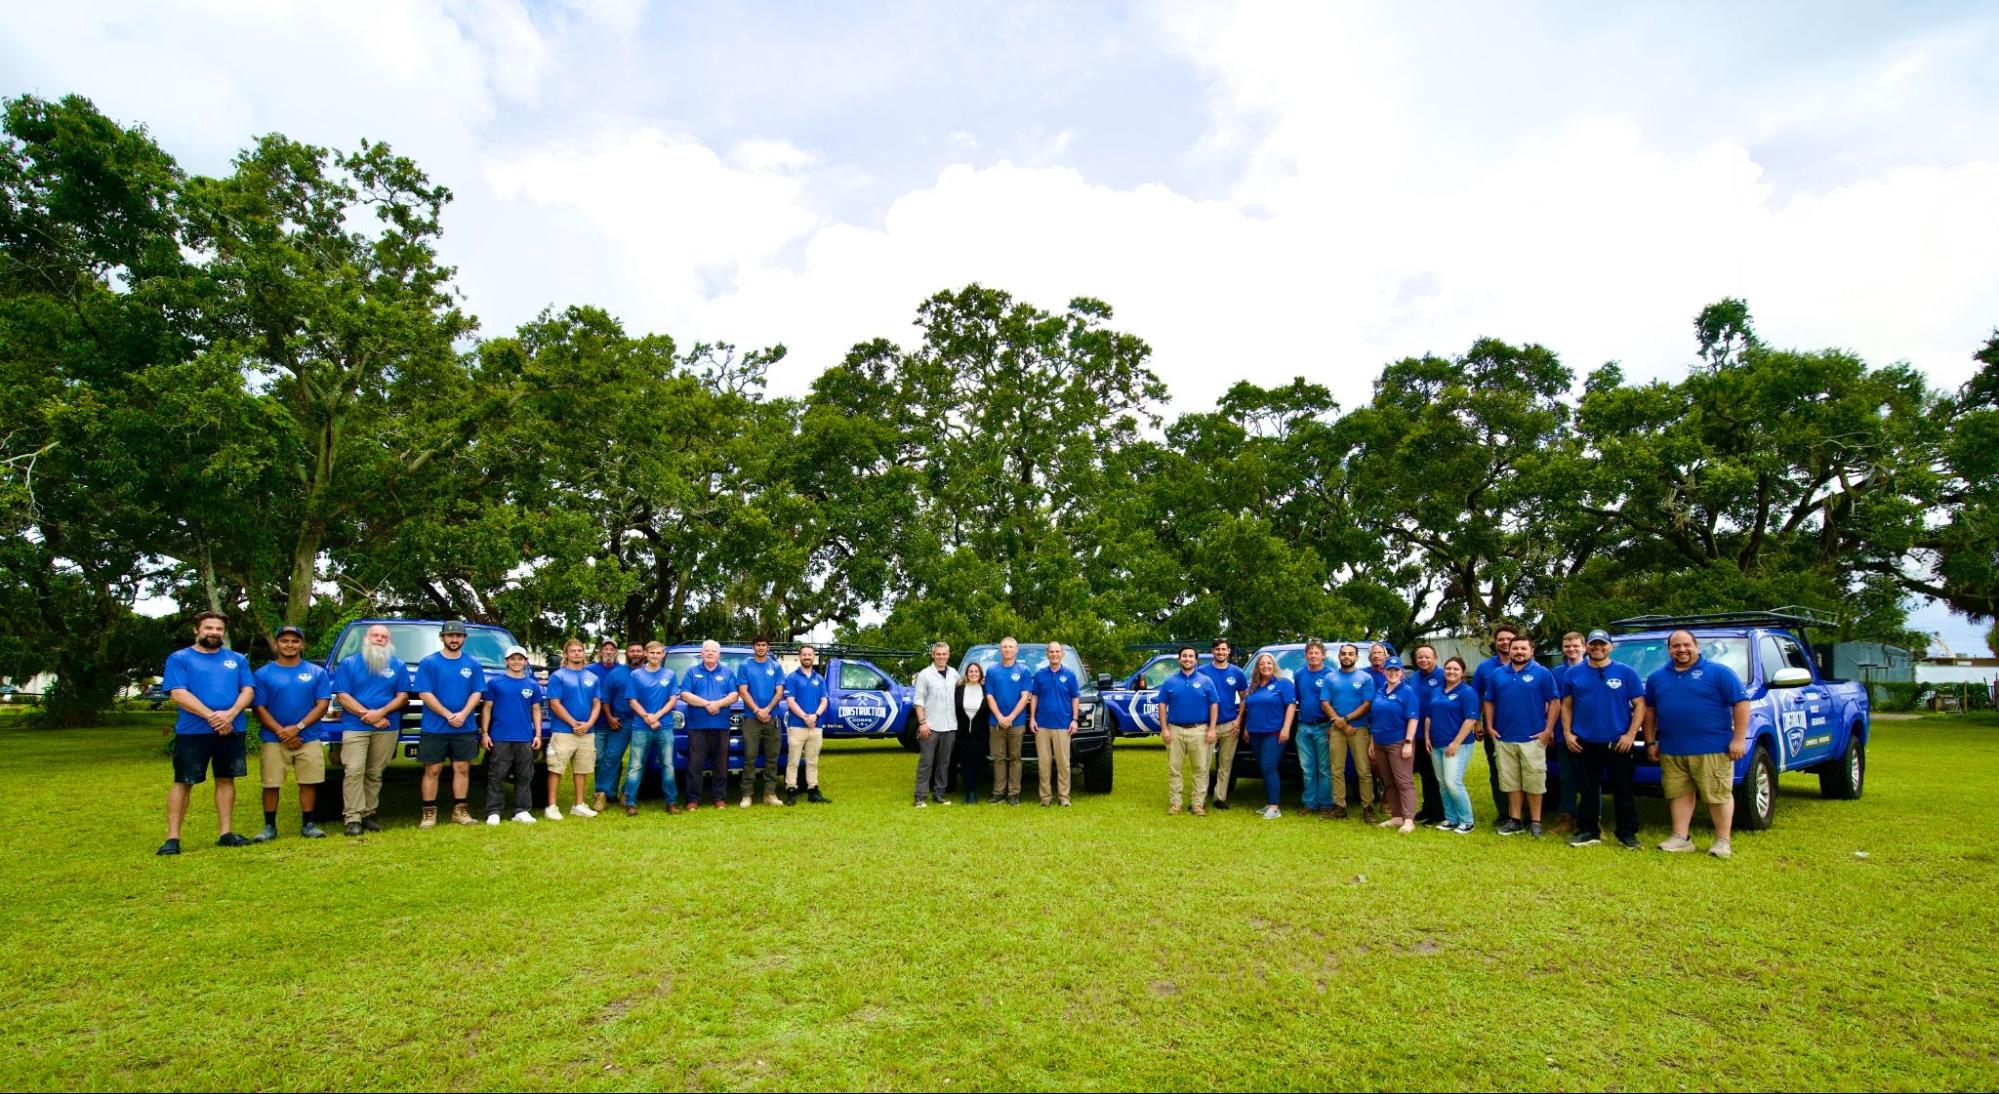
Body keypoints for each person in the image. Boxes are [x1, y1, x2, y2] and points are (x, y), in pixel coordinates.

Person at [1645, 629, 1750, 859]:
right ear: (1669, 649)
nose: (1681, 650)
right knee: (1679, 793)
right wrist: (1651, 741)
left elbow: (1741, 704)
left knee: (1718, 794)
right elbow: (1650, 711)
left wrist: (1739, 739)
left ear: (1696, 646)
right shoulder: (1656, 677)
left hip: (1712, 747)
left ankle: (1722, 841)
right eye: (1675, 646)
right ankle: (1681, 838)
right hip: (1672, 749)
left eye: (1686, 645)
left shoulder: (1719, 673)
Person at [158, 611, 257, 855]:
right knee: (184, 780)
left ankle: (225, 832)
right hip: (193, 731)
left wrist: (230, 714)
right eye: (209, 628)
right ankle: (173, 837)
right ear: (197, 630)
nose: (214, 633)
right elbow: (178, 692)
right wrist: (212, 717)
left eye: (219, 629)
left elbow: (248, 690)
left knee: (226, 778)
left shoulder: (236, 659)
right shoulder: (180, 658)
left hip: (231, 729)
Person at [1562, 629, 1646, 849]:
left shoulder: (1625, 672)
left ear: (1611, 647)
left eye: (1602, 644)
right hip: (1585, 742)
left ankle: (1627, 834)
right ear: (1587, 646)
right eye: (1593, 644)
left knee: (1624, 790)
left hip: (1618, 743)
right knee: (1588, 791)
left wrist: (1630, 735)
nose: (1597, 648)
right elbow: (1567, 705)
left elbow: (1639, 705)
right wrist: (1568, 733)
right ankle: (1588, 831)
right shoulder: (1573, 674)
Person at [249, 624, 332, 842]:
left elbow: (322, 704)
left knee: (309, 781)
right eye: (284, 641)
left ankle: (308, 824)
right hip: (273, 739)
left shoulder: (316, 672)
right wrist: (281, 732)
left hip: (308, 736)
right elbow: (259, 707)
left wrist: (298, 728)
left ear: (302, 644)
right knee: (271, 783)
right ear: (276, 644)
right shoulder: (263, 674)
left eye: (295, 641)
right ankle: (269, 826)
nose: (289, 645)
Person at [332, 623, 408, 836]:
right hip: (355, 726)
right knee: (354, 770)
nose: (379, 639)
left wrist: (381, 712)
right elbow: (343, 696)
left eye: (384, 637)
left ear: (389, 641)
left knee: (374, 773)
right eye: (375, 635)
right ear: (366, 638)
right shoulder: (349, 664)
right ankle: (352, 817)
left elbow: (402, 697)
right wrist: (372, 717)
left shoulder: (398, 666)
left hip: (387, 727)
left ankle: (369, 814)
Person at [1482, 634, 1559, 837]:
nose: (1518, 652)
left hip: (1533, 739)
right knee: (1510, 781)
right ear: (1510, 650)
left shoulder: (1542, 673)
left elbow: (1555, 702)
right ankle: (1515, 820)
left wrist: (1548, 730)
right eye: (1515, 648)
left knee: (1534, 782)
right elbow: (1488, 701)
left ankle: (1535, 822)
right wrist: (1489, 726)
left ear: (1531, 651)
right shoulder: (1498, 674)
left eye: (1523, 648)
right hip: (1504, 738)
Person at [414, 621, 486, 829]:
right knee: (433, 769)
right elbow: (424, 693)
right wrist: (447, 715)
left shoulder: (473, 663)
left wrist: (463, 714)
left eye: (458, 636)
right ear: (442, 637)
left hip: (464, 726)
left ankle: (460, 811)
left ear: (464, 638)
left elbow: (477, 692)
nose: (454, 639)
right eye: (450, 636)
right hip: (435, 727)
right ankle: (429, 813)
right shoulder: (429, 663)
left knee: (462, 768)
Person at [480, 645, 544, 824]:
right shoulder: (495, 683)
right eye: (513, 658)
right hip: (500, 736)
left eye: (520, 659)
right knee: (497, 775)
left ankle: (522, 810)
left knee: (525, 775)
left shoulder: (532, 685)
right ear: (507, 661)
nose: (516, 662)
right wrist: (485, 733)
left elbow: (536, 710)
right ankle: (494, 811)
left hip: (524, 737)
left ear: (525, 661)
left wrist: (537, 734)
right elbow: (487, 708)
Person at [1157, 645, 1220, 816]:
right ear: (1179, 659)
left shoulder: (1206, 681)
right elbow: (1162, 705)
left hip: (1199, 730)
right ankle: (1175, 803)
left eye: (1191, 656)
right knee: (1174, 769)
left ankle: (1198, 804)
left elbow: (1214, 704)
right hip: (1175, 730)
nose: (1187, 659)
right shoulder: (1170, 681)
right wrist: (1164, 729)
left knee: (1200, 769)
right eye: (1184, 656)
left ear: (1196, 660)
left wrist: (1212, 729)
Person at [543, 639, 601, 820]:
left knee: (582, 769)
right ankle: (551, 806)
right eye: (573, 651)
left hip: (587, 731)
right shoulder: (558, 676)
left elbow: (597, 703)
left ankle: (579, 805)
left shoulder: (593, 678)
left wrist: (589, 724)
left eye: (580, 650)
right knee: (556, 768)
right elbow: (554, 703)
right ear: (566, 654)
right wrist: (573, 723)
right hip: (563, 731)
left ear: (584, 654)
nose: (577, 653)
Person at [625, 641, 682, 816]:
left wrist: (656, 716)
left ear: (663, 654)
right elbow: (632, 700)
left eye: (658, 653)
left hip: (664, 726)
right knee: (635, 765)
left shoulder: (670, 674)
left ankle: (671, 802)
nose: (655, 656)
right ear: (646, 654)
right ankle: (630, 803)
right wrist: (647, 717)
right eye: (652, 653)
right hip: (641, 727)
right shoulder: (636, 675)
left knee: (668, 765)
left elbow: (673, 700)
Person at [679, 640, 737, 810]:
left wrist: (718, 704)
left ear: (719, 654)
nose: (710, 653)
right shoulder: (692, 672)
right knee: (695, 764)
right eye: (707, 651)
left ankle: (719, 798)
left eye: (714, 651)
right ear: (701, 653)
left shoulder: (727, 673)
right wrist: (707, 704)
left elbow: (734, 694)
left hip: (721, 726)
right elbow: (685, 694)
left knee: (721, 764)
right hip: (697, 726)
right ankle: (692, 800)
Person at [1367, 657, 1423, 832]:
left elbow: (1413, 719)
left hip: (1398, 742)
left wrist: (1408, 742)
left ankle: (1409, 820)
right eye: (1389, 670)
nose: (1392, 673)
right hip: (1380, 742)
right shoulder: (1380, 691)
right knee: (1388, 781)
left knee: (1404, 781)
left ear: (1401, 672)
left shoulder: (1407, 692)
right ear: (1384, 671)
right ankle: (1397, 817)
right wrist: (1372, 741)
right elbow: (1374, 718)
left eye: (1396, 670)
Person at [1426, 657, 1482, 833]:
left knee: (1453, 782)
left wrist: (1456, 743)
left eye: (1455, 669)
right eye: (1448, 668)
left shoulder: (1467, 692)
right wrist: (1427, 737)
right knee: (1443, 783)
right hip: (1436, 744)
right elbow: (1429, 716)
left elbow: (1471, 719)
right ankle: (1451, 818)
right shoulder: (1436, 691)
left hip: (1457, 745)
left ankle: (1467, 821)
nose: (1451, 672)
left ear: (1462, 672)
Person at [1474, 622, 1521, 827]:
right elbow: (1475, 695)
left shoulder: (1530, 664)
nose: (1504, 642)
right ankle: (1504, 812)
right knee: (1497, 771)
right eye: (1500, 639)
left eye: (1509, 639)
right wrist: (1477, 723)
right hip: (1494, 729)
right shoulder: (1485, 668)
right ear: (1495, 642)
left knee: (1523, 771)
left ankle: (1523, 813)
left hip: (1524, 729)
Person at [1240, 652, 1296, 819]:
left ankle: (1274, 806)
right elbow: (1251, 709)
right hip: (1255, 734)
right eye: (1262, 663)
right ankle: (1269, 803)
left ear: (1274, 666)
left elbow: (1291, 706)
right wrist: (1247, 728)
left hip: (1275, 733)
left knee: (1268, 766)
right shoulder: (1254, 687)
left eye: (1269, 663)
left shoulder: (1283, 683)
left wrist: (1286, 728)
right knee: (1263, 767)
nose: (1266, 666)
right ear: (1258, 667)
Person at [1326, 643, 1378, 822]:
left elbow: (1367, 704)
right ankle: (1339, 806)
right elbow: (1325, 702)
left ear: (1356, 657)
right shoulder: (1330, 677)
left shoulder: (1365, 678)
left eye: (1350, 654)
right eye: (1343, 654)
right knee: (1336, 769)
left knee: (1363, 770)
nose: (1347, 656)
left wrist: (1345, 720)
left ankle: (1368, 807)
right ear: (1339, 657)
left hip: (1359, 728)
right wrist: (1339, 722)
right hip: (1336, 728)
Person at [735, 635, 788, 807]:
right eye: (758, 645)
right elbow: (743, 691)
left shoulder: (776, 666)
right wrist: (757, 710)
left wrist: (767, 710)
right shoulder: (745, 666)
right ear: (753, 647)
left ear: (768, 647)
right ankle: (747, 795)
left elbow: (779, 692)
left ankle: (769, 794)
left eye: (764, 645)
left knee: (772, 758)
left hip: (772, 718)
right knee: (750, 757)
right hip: (751, 719)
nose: (761, 648)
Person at [1197, 639, 1248, 811]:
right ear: (1213, 651)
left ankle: (1220, 798)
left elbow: (1244, 698)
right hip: (1207, 726)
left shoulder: (1237, 673)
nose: (1220, 652)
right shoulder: (1202, 672)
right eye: (1217, 649)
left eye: (1224, 649)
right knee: (1203, 764)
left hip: (1229, 725)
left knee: (1225, 764)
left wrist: (1239, 719)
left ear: (1229, 652)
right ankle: (1200, 799)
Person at [1028, 641, 1081, 807]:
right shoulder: (1039, 675)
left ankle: (1064, 798)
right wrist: (1032, 718)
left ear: (1062, 654)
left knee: (1063, 764)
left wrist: (1074, 719)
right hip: (1042, 725)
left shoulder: (1070, 675)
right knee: (1044, 765)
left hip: (1063, 725)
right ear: (1047, 654)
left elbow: (1075, 698)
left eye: (1057, 652)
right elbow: (1034, 697)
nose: (1054, 654)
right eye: (1051, 652)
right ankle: (1045, 798)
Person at [593, 640, 642, 813]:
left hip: (642, 723)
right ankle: (602, 793)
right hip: (621, 722)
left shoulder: (648, 673)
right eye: (632, 651)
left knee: (638, 760)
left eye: (638, 651)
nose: (635, 654)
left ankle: (626, 793)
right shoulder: (616, 673)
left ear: (643, 653)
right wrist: (609, 717)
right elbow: (605, 698)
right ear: (626, 654)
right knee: (611, 757)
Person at [1545, 630, 1587, 833]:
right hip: (1563, 734)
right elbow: (1551, 703)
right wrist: (1550, 728)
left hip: (1590, 734)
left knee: (1590, 778)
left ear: (1584, 647)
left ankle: (1590, 818)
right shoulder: (1556, 673)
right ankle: (1566, 817)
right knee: (1566, 776)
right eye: (1567, 646)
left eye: (1576, 646)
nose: (1571, 649)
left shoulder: (1593, 669)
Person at [911, 642, 960, 807]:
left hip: (950, 726)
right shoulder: (925, 674)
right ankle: (920, 797)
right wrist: (922, 723)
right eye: (938, 654)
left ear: (948, 654)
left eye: (944, 654)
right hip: (930, 726)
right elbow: (918, 701)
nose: (941, 657)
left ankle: (939, 794)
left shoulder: (954, 674)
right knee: (926, 762)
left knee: (944, 763)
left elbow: (964, 691)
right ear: (933, 655)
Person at [1291, 639, 1337, 817]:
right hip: (1303, 727)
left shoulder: (1330, 675)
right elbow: (1298, 700)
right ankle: (1309, 803)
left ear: (1323, 655)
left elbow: (1335, 703)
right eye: (1310, 653)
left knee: (1324, 768)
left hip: (1324, 726)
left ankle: (1326, 803)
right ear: (1305, 655)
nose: (1313, 655)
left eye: (1317, 652)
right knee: (1307, 768)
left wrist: (1332, 724)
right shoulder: (1300, 674)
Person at [984, 637, 1032, 805]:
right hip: (995, 722)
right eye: (1004, 647)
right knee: (998, 758)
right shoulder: (992, 671)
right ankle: (998, 793)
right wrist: (1000, 717)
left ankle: (1013, 794)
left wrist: (1010, 718)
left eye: (1011, 647)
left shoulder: (1024, 670)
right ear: (1000, 649)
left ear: (1016, 649)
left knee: (1015, 759)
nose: (1007, 649)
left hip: (1016, 723)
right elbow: (989, 696)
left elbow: (1025, 697)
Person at [783, 645, 832, 805]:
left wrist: (815, 715)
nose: (807, 657)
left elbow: (824, 700)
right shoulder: (792, 677)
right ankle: (791, 790)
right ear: (799, 657)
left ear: (814, 657)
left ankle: (813, 791)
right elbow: (790, 701)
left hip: (815, 726)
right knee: (793, 761)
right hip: (797, 725)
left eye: (809, 654)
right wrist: (805, 716)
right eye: (804, 654)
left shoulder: (819, 679)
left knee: (812, 761)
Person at [1409, 644, 1446, 825]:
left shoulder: (1443, 676)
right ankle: (1427, 808)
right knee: (1425, 774)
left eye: (1427, 657)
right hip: (1417, 734)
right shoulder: (1413, 678)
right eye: (1420, 657)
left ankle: (1438, 812)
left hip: (1435, 734)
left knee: (1435, 775)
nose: (1423, 660)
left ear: (1435, 658)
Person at [953, 661, 991, 805]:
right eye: (971, 671)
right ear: (967, 674)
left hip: (980, 734)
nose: (973, 673)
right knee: (964, 763)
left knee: (978, 762)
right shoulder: (959, 690)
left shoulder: (986, 690)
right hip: (962, 733)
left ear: (980, 674)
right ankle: (969, 791)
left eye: (976, 671)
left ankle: (974, 788)